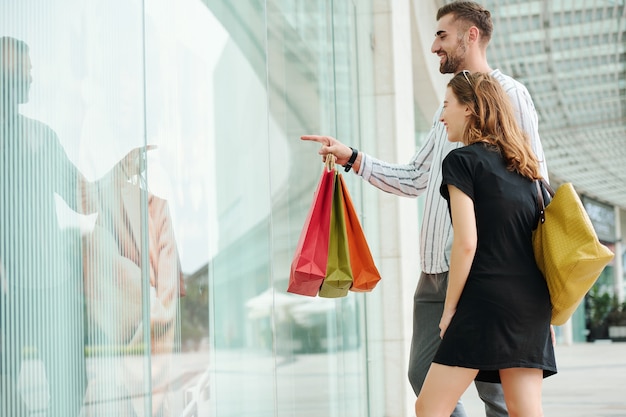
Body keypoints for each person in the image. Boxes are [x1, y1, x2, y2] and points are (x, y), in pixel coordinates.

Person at [301, 2, 548, 416]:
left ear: (471, 36)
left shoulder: (510, 94)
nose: (434, 45)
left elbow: (534, 181)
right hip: (434, 269)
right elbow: (416, 177)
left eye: (442, 35)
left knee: (497, 394)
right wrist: (352, 158)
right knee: (422, 374)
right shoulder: (445, 109)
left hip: (479, 270)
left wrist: (536, 284)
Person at [0, 36, 149, 417]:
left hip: (52, 286)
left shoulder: (40, 136)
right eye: (23, 70)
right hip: (9, 291)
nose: (31, 78)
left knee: (71, 385)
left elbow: (83, 197)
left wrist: (121, 171)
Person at [414, 70, 556, 417]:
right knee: (525, 411)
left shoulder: (461, 161)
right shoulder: (526, 169)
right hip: (531, 305)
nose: (443, 115)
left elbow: (465, 243)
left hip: (484, 301)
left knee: (429, 408)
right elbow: (540, 249)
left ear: (470, 109)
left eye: (447, 105)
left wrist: (449, 311)